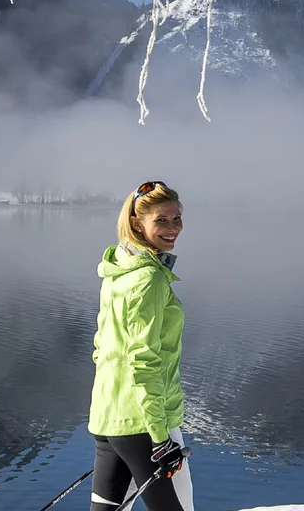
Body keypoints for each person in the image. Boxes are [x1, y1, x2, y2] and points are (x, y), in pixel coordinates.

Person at [90, 180, 194, 511]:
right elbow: (143, 362)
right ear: (137, 222)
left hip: (110, 415)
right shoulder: (148, 279)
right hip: (144, 424)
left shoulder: (119, 267)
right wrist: (161, 438)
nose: (173, 228)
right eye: (161, 220)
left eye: (176, 218)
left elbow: (101, 345)